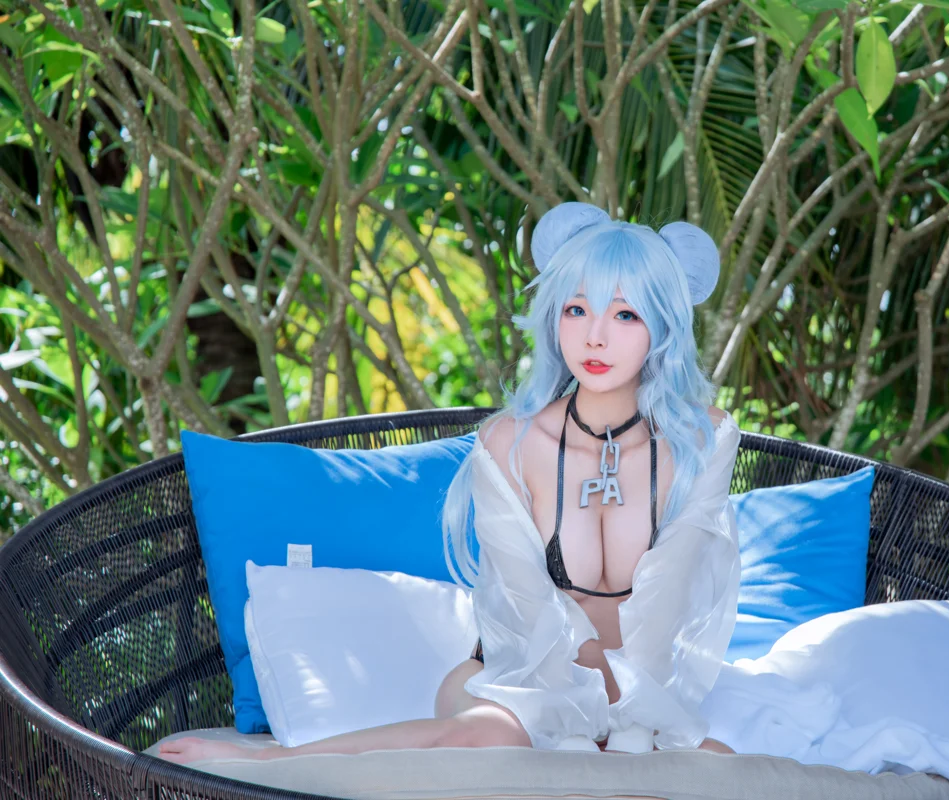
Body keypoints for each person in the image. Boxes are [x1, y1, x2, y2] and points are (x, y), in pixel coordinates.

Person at [158, 202, 741, 765]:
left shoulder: (703, 441)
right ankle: (271, 762)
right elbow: (529, 607)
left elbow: (673, 598)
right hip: (523, 677)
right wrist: (584, 719)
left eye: (625, 315)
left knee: (716, 766)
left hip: (642, 688)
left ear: (663, 324)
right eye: (575, 310)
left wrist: (631, 717)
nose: (594, 337)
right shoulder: (509, 444)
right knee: (489, 739)